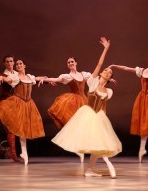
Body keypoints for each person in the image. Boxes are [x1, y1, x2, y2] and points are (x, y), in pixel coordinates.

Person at [52, 37, 121, 178]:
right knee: (96, 144)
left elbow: (104, 106)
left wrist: (105, 122)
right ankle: (109, 164)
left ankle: (89, 170)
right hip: (88, 114)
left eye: (109, 72)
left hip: (99, 116)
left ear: (110, 77)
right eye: (106, 70)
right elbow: (100, 63)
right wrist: (106, 48)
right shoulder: (92, 81)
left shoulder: (109, 91)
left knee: (98, 144)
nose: (107, 71)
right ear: (101, 73)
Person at [0, 59, 51, 166]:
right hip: (18, 103)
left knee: (25, 129)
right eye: (17, 64)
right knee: (21, 129)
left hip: (29, 104)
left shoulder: (30, 77)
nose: (18, 65)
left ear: (24, 65)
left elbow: (38, 78)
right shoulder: (15, 77)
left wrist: (48, 80)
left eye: (20, 63)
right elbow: (7, 79)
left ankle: (24, 152)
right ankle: (24, 152)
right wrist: (2, 77)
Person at [39, 57, 91, 162]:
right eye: (68, 62)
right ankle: (77, 148)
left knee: (84, 125)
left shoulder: (84, 74)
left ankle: (80, 147)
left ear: (76, 63)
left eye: (72, 61)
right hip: (73, 101)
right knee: (72, 124)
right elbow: (56, 79)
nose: (71, 63)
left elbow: (95, 77)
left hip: (84, 101)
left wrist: (107, 79)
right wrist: (45, 79)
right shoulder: (67, 76)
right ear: (67, 65)